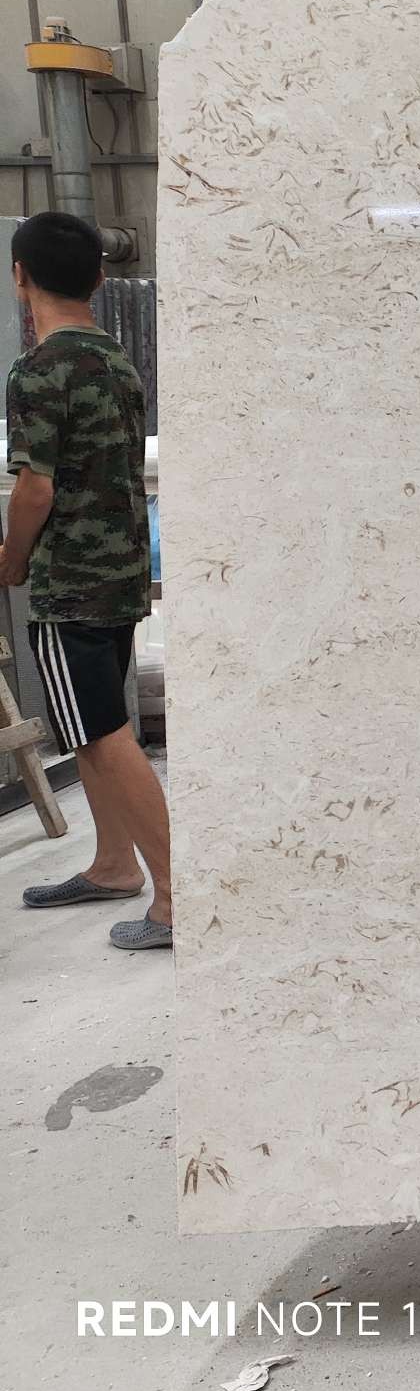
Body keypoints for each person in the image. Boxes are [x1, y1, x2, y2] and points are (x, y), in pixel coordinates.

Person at [4, 212, 170, 950]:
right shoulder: (117, 359)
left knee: (100, 736)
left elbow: (34, 487)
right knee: (96, 724)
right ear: (101, 279)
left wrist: (13, 559)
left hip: (70, 579)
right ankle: (112, 865)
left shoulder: (38, 369)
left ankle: (177, 897)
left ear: (19, 277)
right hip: (122, 573)